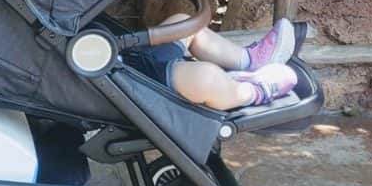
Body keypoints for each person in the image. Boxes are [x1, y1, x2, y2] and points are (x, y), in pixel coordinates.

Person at [121, 18, 299, 111]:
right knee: (206, 78)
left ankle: (249, 60)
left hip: (130, 57)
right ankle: (254, 92)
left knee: (183, 23)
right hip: (130, 83)